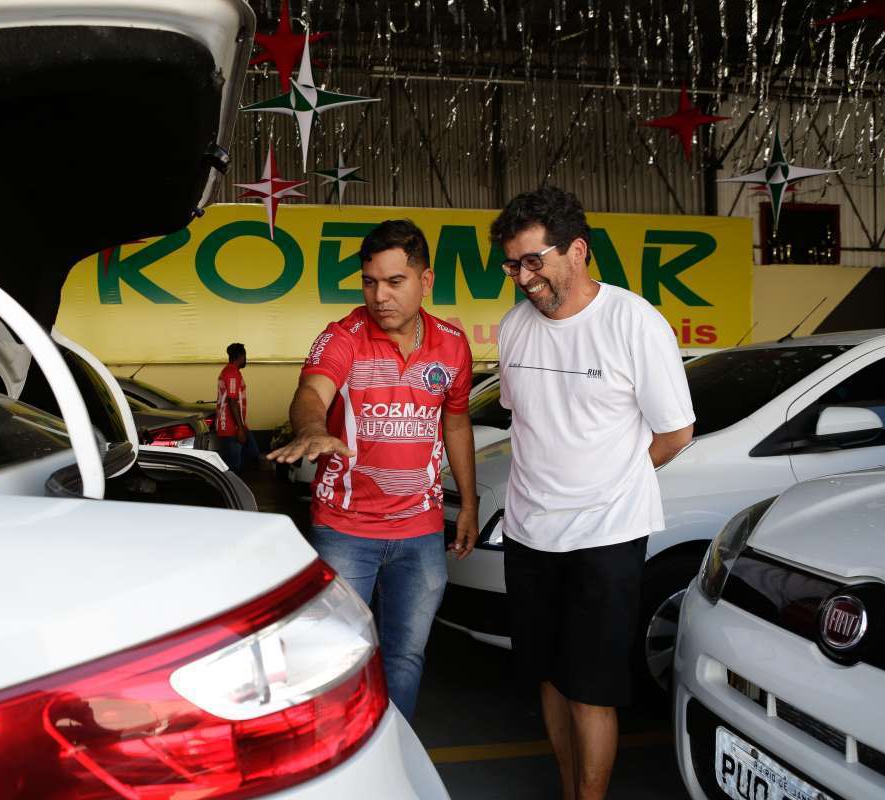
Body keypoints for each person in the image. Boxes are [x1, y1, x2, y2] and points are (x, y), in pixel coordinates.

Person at [490, 186, 694, 800]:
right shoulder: (513, 329)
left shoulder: (632, 322)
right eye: (512, 265)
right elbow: (527, 422)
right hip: (529, 534)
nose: (523, 279)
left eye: (534, 261)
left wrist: (615, 481)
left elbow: (676, 432)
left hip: (605, 537)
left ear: (577, 251)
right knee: (549, 678)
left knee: (591, 687)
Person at [267, 219, 479, 723]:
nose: (379, 296)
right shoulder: (343, 336)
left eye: (394, 282)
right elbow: (311, 392)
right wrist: (310, 428)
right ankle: (337, 760)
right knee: (332, 659)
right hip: (345, 530)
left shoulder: (451, 345)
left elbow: (456, 424)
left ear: (425, 282)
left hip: (421, 532)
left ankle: (392, 752)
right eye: (369, 282)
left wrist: (468, 503)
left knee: (405, 658)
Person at [215, 342, 258, 472]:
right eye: (245, 356)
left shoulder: (232, 371)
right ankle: (233, 489)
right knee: (234, 466)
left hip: (237, 425)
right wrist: (240, 428)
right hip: (230, 426)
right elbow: (232, 401)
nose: (246, 360)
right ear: (240, 356)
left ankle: (239, 486)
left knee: (252, 455)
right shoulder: (231, 372)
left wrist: (242, 426)